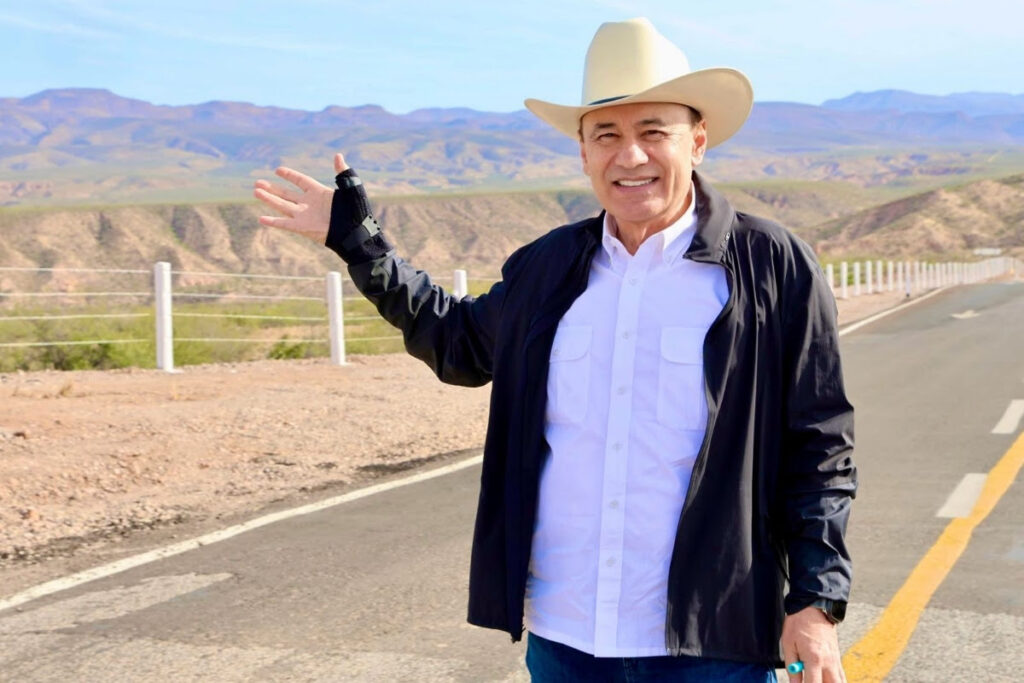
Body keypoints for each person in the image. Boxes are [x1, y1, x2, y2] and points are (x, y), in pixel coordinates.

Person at [253, 17, 856, 683]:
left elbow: (819, 444)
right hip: (567, 638)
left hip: (714, 642)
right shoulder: (546, 269)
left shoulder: (770, 266)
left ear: (698, 141)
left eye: (653, 131)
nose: (630, 156)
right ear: (583, 152)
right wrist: (359, 244)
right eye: (607, 135)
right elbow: (457, 343)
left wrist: (816, 600)